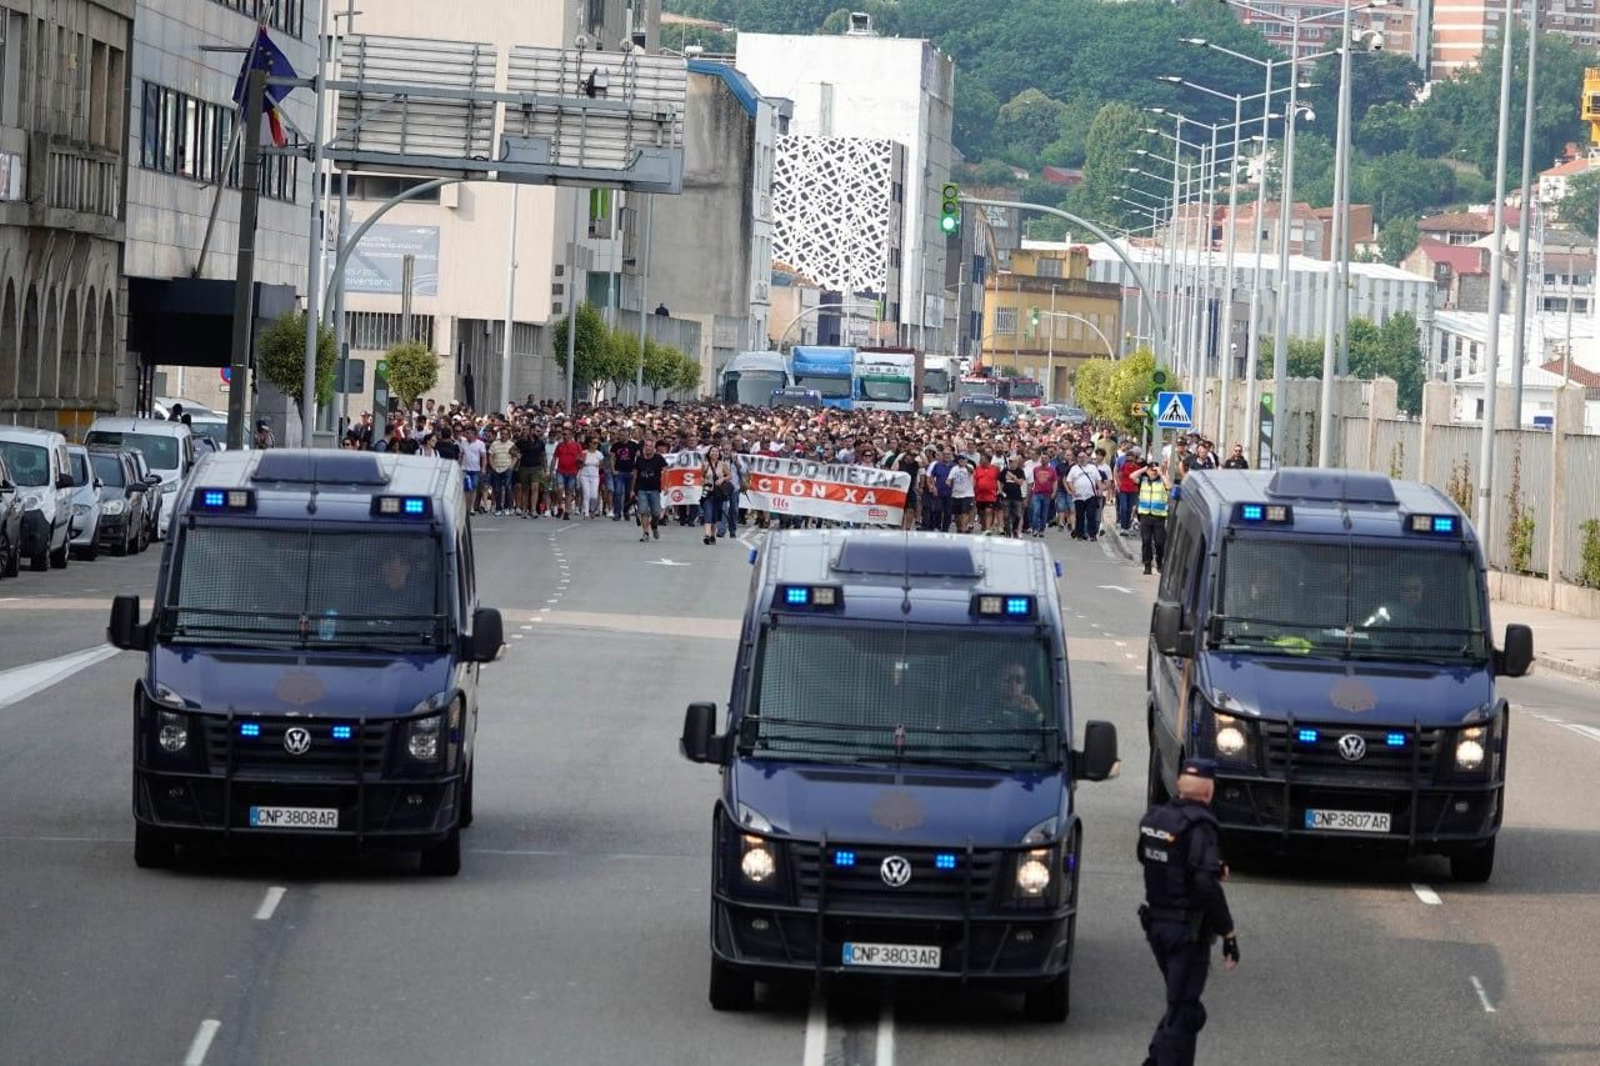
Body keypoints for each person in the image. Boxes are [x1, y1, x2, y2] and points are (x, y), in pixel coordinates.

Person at [1136, 757, 1238, 1066]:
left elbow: (1147, 857)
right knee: (1184, 1013)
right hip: (1187, 934)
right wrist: (1228, 932)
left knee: (1183, 1007)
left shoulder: (1155, 819)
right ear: (1209, 792)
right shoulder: (1201, 826)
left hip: (1157, 928)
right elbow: (1205, 885)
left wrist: (1204, 867)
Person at [1137, 459, 1171, 576]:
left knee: (1160, 543)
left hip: (1159, 517)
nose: (1154, 472)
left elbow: (1170, 486)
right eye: (1152, 470)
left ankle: (1159, 562)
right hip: (1145, 516)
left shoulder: (1162, 481)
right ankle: (1147, 565)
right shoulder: (1143, 480)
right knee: (1146, 541)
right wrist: (1144, 469)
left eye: (1155, 470)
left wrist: (1161, 472)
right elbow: (1132, 476)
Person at [631, 438, 668, 542]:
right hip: (642, 489)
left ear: (654, 448)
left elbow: (665, 471)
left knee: (656, 513)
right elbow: (635, 474)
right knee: (643, 511)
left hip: (655, 489)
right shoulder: (639, 459)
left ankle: (654, 526)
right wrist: (632, 490)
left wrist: (665, 485)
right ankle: (645, 533)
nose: (648, 448)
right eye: (646, 446)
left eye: (650, 446)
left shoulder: (659, 458)